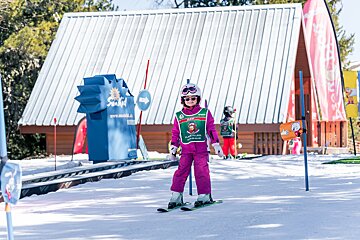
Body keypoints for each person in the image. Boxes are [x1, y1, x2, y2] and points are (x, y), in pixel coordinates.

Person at [168, 83, 224, 209]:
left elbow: (211, 129)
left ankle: (204, 195)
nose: (190, 101)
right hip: (186, 150)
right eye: (187, 99)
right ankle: (176, 196)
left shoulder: (204, 113)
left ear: (198, 98)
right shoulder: (179, 116)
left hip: (201, 150)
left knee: (201, 171)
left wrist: (216, 144)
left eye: (193, 98)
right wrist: (173, 148)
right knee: (180, 172)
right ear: (183, 100)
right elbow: (176, 133)